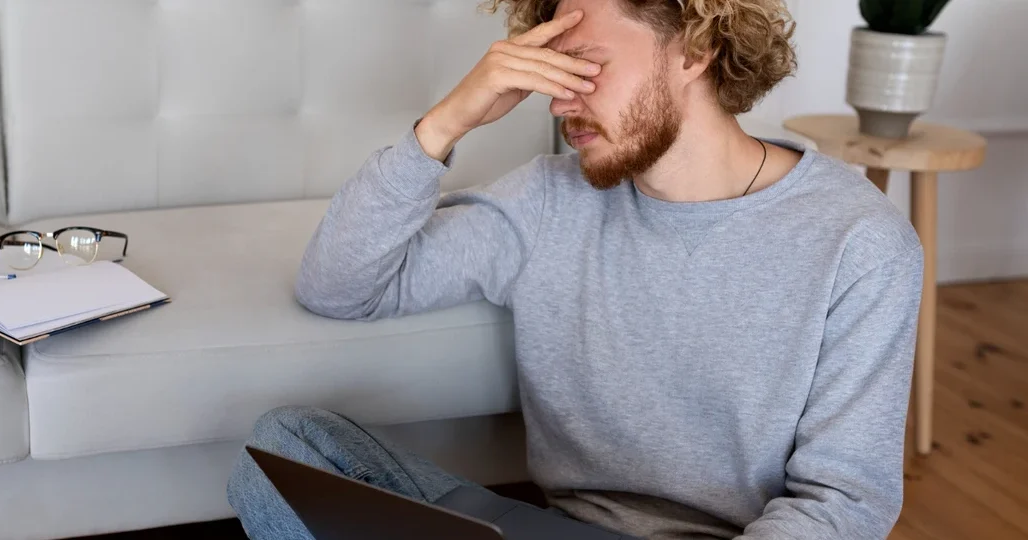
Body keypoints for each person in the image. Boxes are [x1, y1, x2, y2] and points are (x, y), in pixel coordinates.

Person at [226, 0, 925, 538]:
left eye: (585, 66)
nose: (561, 103)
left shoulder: (857, 239)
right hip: (555, 530)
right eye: (551, 76)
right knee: (283, 449)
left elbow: (844, 500)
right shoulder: (547, 199)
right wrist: (446, 123)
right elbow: (339, 288)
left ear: (697, 48)